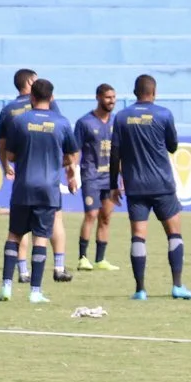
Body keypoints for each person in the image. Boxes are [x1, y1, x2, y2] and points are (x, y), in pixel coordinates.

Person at [109, 74, 191, 301]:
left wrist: (113, 185)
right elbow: (173, 147)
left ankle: (140, 290)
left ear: (135, 92)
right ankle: (177, 286)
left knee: (138, 237)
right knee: (174, 233)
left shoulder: (121, 117)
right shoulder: (164, 114)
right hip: (162, 185)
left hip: (135, 186)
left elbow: (114, 153)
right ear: (154, 92)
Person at [0, 78, 78, 304]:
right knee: (40, 238)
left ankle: (6, 286)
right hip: (48, 189)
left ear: (31, 97)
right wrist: (62, 166)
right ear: (51, 98)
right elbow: (71, 155)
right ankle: (35, 291)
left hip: (23, 187)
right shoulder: (61, 122)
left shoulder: (20, 121)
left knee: (14, 235)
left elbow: (11, 156)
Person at [75, 84, 120, 272]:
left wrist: (121, 179)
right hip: (91, 176)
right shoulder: (85, 122)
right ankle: (82, 258)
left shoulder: (117, 123)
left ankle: (100, 259)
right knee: (91, 214)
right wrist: (72, 172)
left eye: (114, 97)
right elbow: (75, 150)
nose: (112, 101)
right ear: (98, 98)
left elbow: (120, 152)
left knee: (106, 217)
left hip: (109, 178)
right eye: (108, 97)